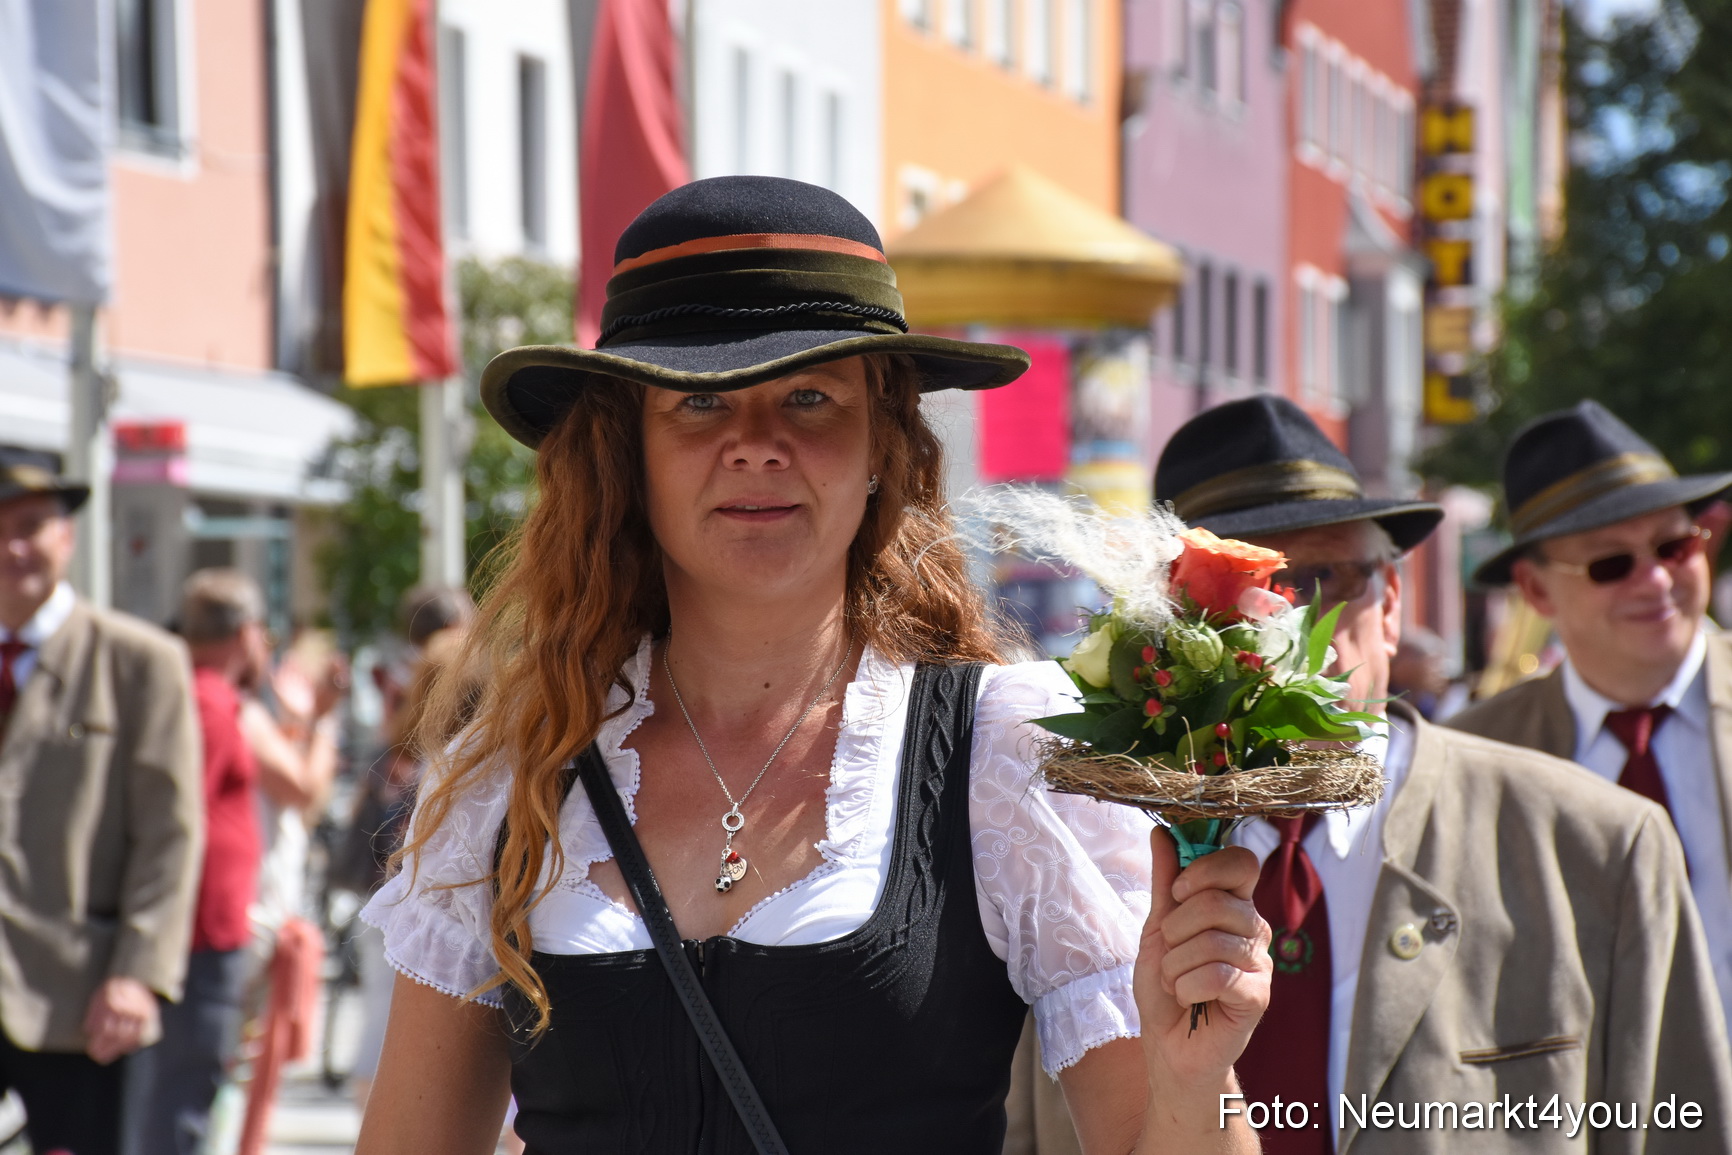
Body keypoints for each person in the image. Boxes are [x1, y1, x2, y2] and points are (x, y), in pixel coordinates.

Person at [355, 176, 1272, 1155]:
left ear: (882, 443)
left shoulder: (1003, 758)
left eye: (808, 397)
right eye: (701, 404)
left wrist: (1194, 1080)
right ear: (631, 452)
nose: (756, 446)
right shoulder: (511, 779)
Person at [1154, 396, 1725, 1153]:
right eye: (1235, 595)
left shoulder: (1601, 841)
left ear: (1390, 602)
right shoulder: (1083, 860)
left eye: (1321, 579)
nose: (1283, 628)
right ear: (1167, 622)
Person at [1450, 400, 1732, 1034]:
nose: (1656, 580)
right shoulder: (1473, 753)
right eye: (1612, 563)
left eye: (1674, 545)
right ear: (1538, 590)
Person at [0, 450, 202, 1155]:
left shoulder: (138, 660)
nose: (12, 547)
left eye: (30, 525)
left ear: (67, 537)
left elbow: (170, 832)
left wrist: (138, 974)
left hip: (81, 997)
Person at [128, 570, 270, 1155]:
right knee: (182, 1094)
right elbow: (176, 821)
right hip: (200, 936)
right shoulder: (208, 702)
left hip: (200, 930)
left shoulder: (198, 695)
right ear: (246, 633)